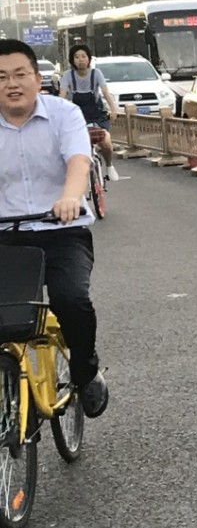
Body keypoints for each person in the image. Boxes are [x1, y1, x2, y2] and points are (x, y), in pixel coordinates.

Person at [0, 39, 109, 418]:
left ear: (36, 77)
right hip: (6, 235)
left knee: (71, 299)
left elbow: (78, 160)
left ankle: (85, 372)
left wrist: (69, 197)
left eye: (19, 74)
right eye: (0, 77)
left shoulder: (64, 114)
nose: (11, 84)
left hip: (61, 228)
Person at [59, 43, 119, 181]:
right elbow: (62, 95)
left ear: (89, 59)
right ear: (72, 60)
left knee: (105, 141)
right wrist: (58, 113)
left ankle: (109, 166)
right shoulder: (68, 75)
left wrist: (113, 110)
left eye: (84, 56)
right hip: (76, 115)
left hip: (97, 114)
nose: (81, 59)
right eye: (77, 57)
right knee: (70, 143)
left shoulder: (96, 73)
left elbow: (105, 92)